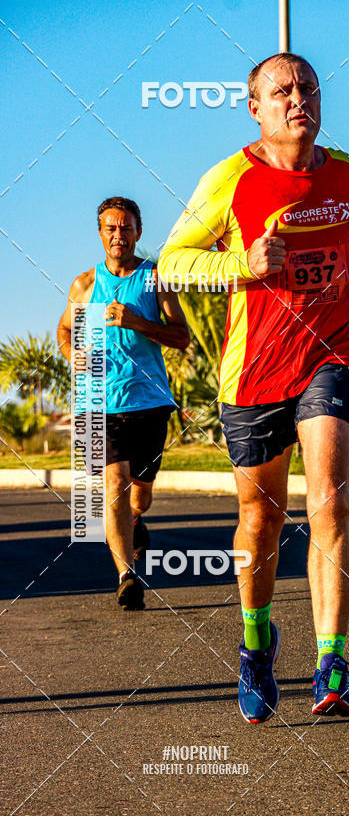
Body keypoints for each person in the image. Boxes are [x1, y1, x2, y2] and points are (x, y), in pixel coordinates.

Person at [158, 53, 349, 720]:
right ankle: (256, 645)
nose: (298, 99)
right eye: (282, 91)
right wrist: (244, 262)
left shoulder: (342, 170)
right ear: (256, 109)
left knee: (329, 501)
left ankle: (332, 663)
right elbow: (171, 263)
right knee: (260, 520)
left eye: (308, 89)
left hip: (329, 357)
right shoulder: (230, 178)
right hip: (255, 371)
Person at [58, 197, 190, 609]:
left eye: (126, 228)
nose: (119, 235)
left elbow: (181, 336)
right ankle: (126, 576)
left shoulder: (155, 279)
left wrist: (135, 322)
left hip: (148, 401)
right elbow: (64, 329)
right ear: (100, 233)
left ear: (138, 231)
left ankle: (136, 519)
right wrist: (72, 353)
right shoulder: (83, 284)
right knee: (114, 483)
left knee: (140, 494)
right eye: (111, 228)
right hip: (97, 403)